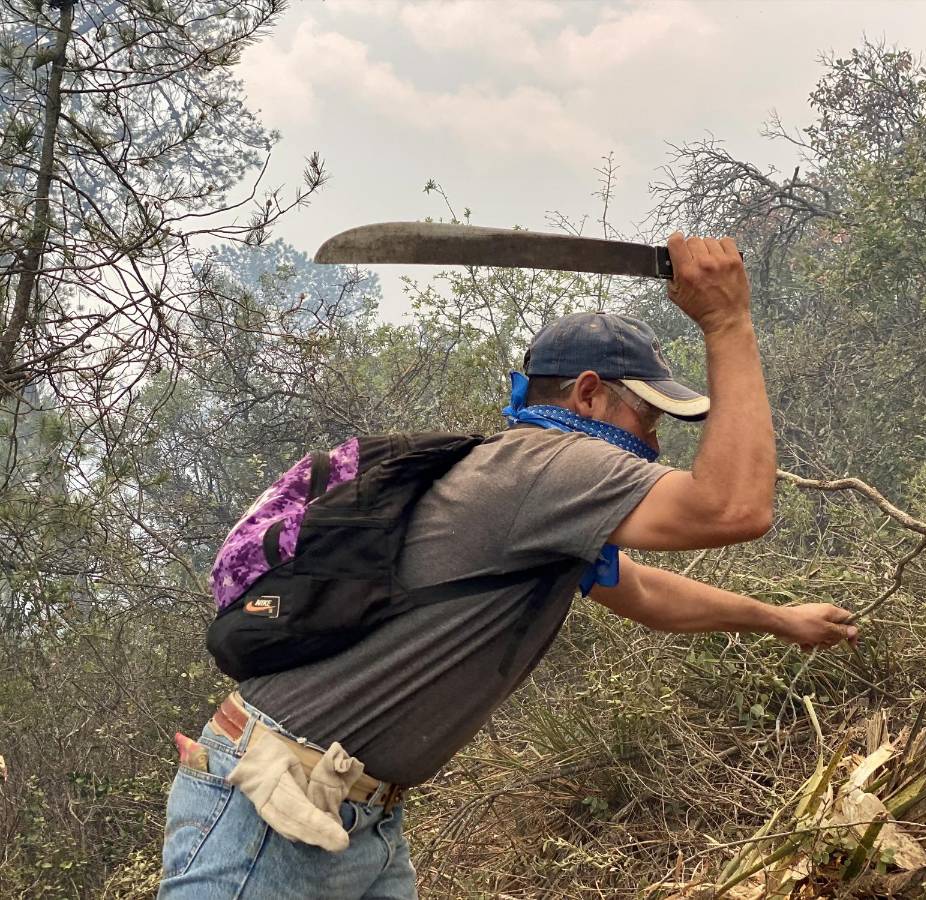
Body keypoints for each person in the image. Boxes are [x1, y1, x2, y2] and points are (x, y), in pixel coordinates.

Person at [157, 233, 859, 899]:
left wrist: (777, 619)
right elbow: (735, 509)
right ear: (587, 394)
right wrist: (728, 322)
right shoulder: (551, 467)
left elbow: (638, 589)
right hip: (270, 807)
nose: (652, 440)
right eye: (647, 417)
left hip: (349, 814)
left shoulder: (539, 500)